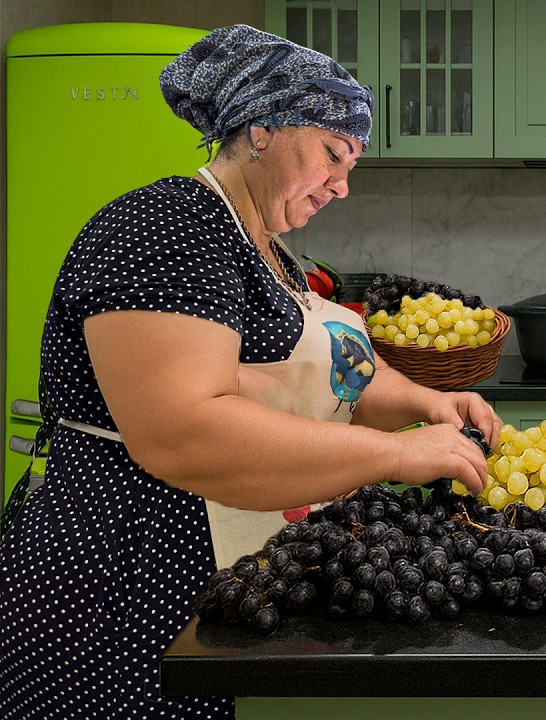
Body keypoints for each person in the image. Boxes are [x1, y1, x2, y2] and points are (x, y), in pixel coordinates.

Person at [0, 25, 500, 719]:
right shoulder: (165, 227)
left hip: (231, 567)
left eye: (351, 164)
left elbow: (334, 378)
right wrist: (393, 454)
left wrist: (429, 403)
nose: (343, 185)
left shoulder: (269, 248)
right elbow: (183, 432)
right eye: (333, 153)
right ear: (262, 128)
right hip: (134, 574)